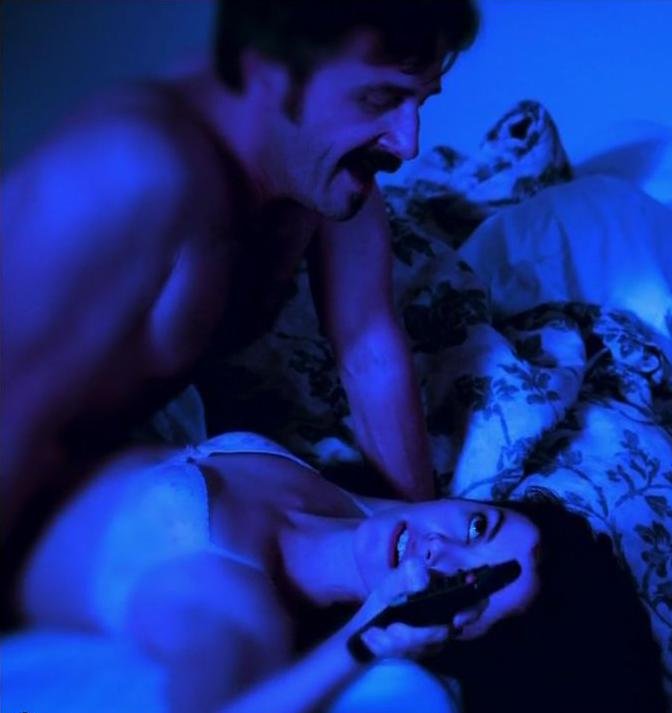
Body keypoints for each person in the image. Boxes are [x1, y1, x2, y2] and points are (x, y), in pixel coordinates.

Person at [0, 0, 481, 542]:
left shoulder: (325, 180)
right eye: (380, 99)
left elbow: (369, 351)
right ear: (270, 72)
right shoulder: (134, 170)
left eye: (420, 102)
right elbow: (11, 417)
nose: (408, 144)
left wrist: (432, 531)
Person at [17, 431, 542, 713]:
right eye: (478, 527)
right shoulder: (361, 502)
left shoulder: (239, 613)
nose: (440, 550)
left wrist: (367, 639)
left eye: (460, 584)